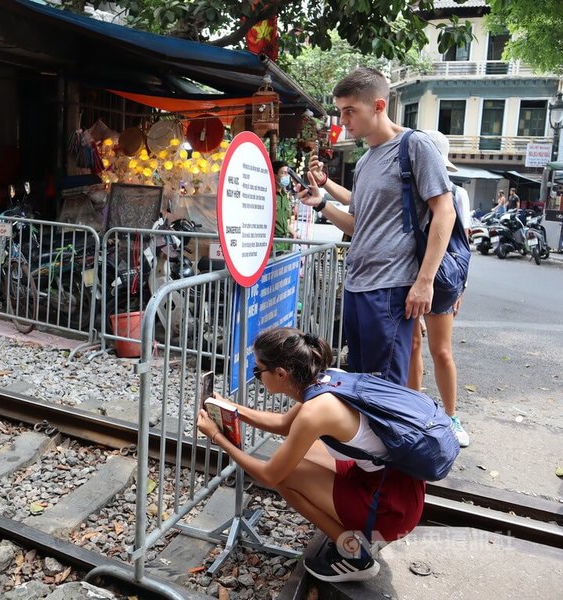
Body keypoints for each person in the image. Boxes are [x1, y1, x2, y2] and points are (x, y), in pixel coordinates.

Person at [196, 327, 426, 583]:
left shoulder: (314, 412)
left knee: (284, 475)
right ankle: (352, 529)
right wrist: (229, 406)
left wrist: (217, 437)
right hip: (397, 487)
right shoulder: (328, 378)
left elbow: (269, 477)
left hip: (389, 510)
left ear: (281, 374)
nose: (257, 377)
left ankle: (354, 554)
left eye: (258, 371)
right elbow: (284, 424)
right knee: (302, 453)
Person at [295, 67, 456, 386]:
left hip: (390, 287)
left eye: (350, 111)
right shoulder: (366, 161)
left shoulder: (414, 146)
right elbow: (358, 226)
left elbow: (445, 212)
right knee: (360, 379)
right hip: (356, 286)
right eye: (341, 111)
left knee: (385, 387)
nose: (343, 120)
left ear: (379, 106)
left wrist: (425, 281)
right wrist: (323, 203)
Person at [407, 130, 470, 447]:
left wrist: (461, 286)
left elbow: (463, 243)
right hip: (406, 275)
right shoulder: (409, 188)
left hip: (440, 278)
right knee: (412, 346)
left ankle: (451, 415)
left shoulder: (456, 193)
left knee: (440, 349)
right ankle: (415, 411)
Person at [272, 161, 294, 253]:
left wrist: (293, 233)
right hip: (273, 245)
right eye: (283, 173)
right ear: (274, 175)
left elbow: (285, 220)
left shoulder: (285, 196)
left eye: (287, 174)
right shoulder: (269, 195)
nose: (286, 176)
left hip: (286, 243)